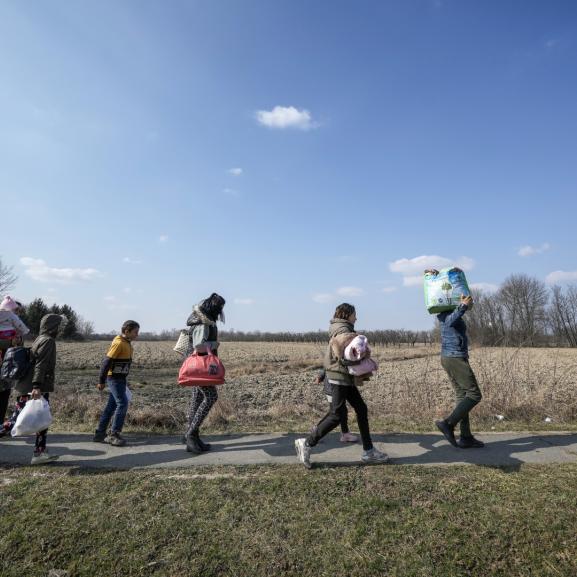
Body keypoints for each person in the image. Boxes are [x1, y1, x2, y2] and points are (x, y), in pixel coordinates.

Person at [295, 303, 390, 468]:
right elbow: (345, 357)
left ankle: (369, 452)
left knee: (361, 408)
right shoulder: (344, 331)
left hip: (342, 375)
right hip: (339, 376)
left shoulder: (337, 327)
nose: (356, 317)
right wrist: (364, 354)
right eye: (354, 314)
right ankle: (307, 443)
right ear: (347, 315)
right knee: (336, 416)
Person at [426, 269, 484, 449]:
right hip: (454, 357)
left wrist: (446, 272)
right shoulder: (445, 313)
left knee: (462, 395)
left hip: (452, 357)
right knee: (474, 394)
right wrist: (463, 306)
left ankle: (465, 437)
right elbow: (451, 321)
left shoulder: (449, 307)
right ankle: (448, 424)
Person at [7, 313, 65, 464]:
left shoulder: (40, 338)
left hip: (33, 386)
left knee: (42, 420)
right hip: (32, 388)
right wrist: (37, 386)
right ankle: (39, 453)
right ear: (53, 327)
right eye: (59, 325)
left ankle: (39, 454)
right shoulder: (48, 341)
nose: (61, 328)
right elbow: (41, 364)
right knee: (15, 422)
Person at [183, 293, 225, 454]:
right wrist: (215, 344)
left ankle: (191, 435)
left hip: (196, 367)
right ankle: (191, 435)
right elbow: (199, 346)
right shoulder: (203, 323)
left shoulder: (201, 319)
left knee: (197, 397)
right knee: (211, 397)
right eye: (220, 308)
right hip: (201, 367)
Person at [93, 320, 140, 447]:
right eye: (135, 332)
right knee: (122, 403)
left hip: (120, 379)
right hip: (114, 379)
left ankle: (100, 434)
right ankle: (114, 434)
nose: (137, 334)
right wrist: (101, 381)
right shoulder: (119, 343)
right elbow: (106, 362)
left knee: (111, 407)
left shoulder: (127, 343)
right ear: (127, 331)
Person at [0, 297, 30, 430]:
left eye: (19, 312)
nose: (17, 314)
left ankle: (1, 423)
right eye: (16, 311)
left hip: (9, 367)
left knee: (4, 395)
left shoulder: (15, 328)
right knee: (2, 395)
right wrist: (10, 342)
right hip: (3, 366)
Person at [317, 369, 358, 443]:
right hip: (332, 387)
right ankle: (317, 430)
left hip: (341, 386)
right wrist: (320, 376)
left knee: (342, 411)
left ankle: (345, 434)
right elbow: (326, 364)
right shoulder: (333, 357)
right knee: (335, 412)